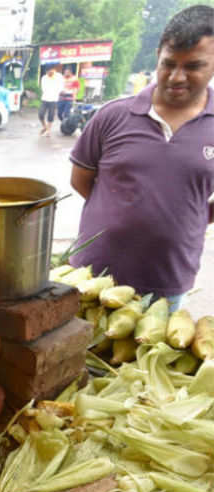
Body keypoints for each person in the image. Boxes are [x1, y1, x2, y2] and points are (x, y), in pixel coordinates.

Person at [69, 4, 214, 311]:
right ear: (157, 57)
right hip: (92, 277)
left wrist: (193, 217)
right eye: (168, 63)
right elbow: (81, 180)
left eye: (193, 66)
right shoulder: (112, 116)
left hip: (167, 285)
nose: (176, 77)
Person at [39, 65, 64, 136]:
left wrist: (56, 92)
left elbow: (60, 88)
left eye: (50, 72)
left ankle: (48, 131)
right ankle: (45, 127)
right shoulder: (44, 78)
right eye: (47, 72)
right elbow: (43, 88)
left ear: (53, 70)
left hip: (54, 99)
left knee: (51, 115)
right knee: (41, 114)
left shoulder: (59, 77)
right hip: (45, 98)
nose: (49, 73)